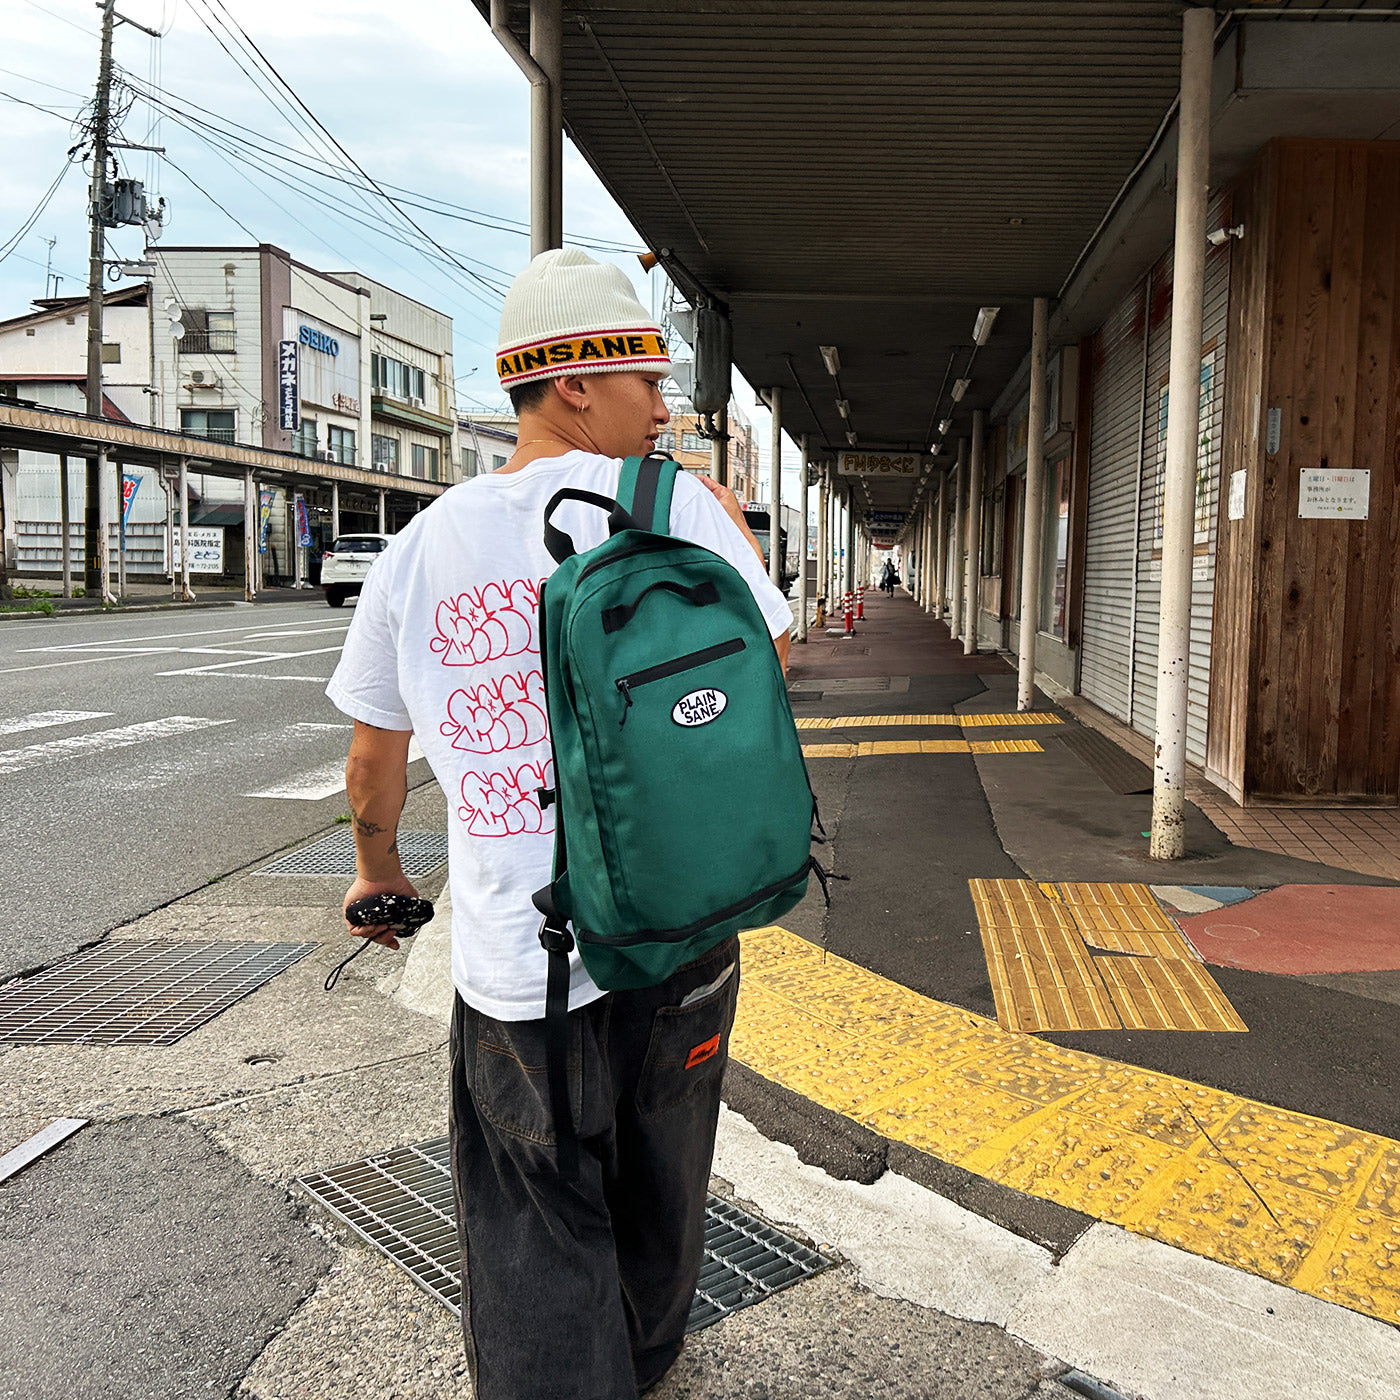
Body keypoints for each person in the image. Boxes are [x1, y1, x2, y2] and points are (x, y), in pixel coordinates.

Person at [325, 247, 793, 1400]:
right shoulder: (674, 505)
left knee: (533, 1209)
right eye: (643, 374)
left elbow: (373, 755)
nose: (661, 402)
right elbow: (761, 674)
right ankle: (640, 1362)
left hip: (515, 959)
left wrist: (374, 870)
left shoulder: (418, 547)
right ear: (574, 380)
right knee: (662, 1176)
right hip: (675, 929)